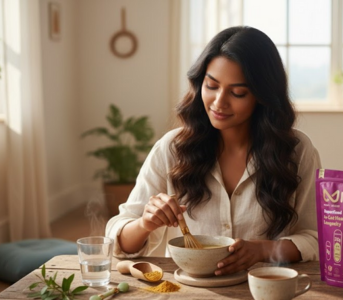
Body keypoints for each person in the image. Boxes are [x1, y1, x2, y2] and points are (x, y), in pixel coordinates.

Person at [105, 26, 321, 276]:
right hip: (187, 289)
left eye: (237, 92)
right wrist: (145, 223)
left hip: (266, 287)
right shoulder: (172, 148)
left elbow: (315, 238)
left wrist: (262, 250)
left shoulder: (297, 151)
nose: (219, 102)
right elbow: (118, 240)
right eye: (211, 86)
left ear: (262, 96)